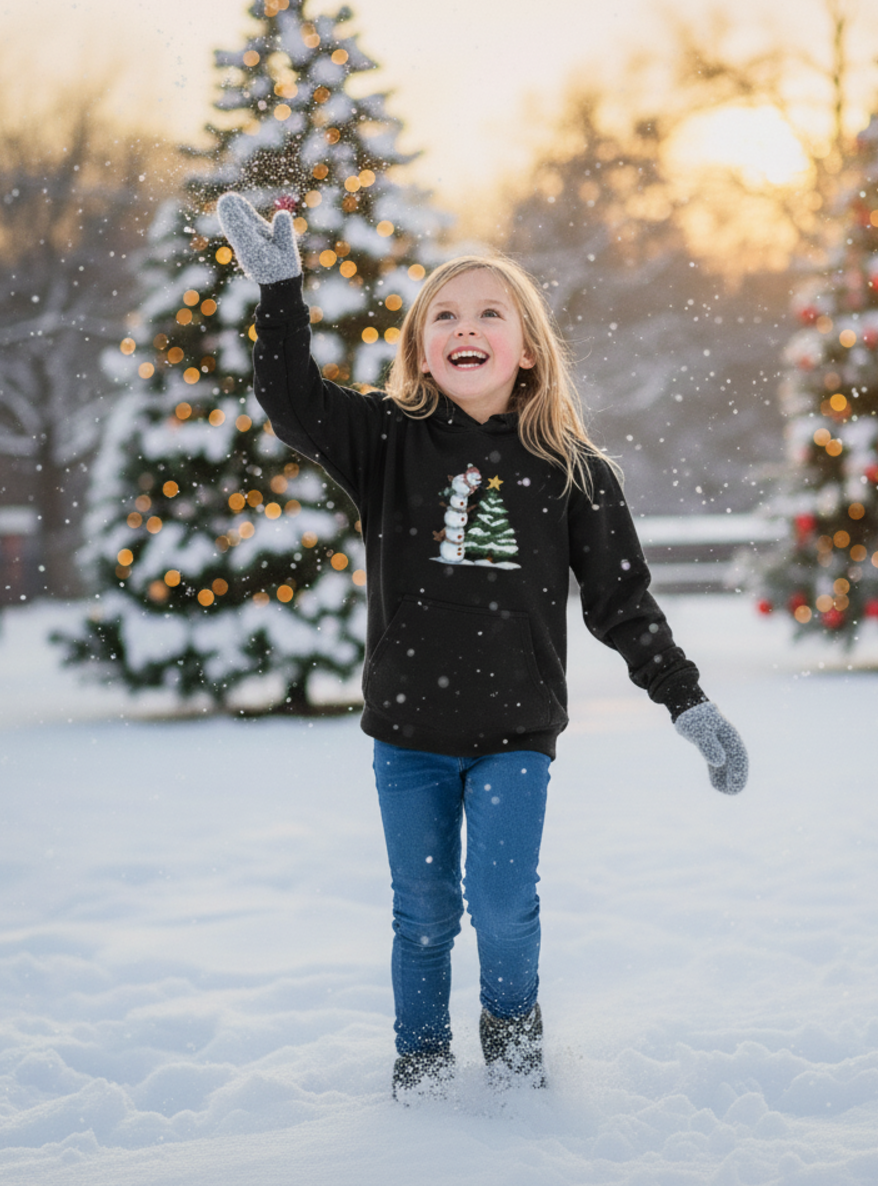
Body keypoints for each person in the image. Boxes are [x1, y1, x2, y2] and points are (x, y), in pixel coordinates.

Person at [217, 194, 749, 1100]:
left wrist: (688, 703)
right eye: (445, 317)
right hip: (408, 736)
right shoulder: (385, 443)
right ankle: (422, 1070)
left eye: (489, 313)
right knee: (424, 917)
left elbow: (623, 606)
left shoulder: (576, 473)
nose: (466, 328)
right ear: (421, 348)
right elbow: (294, 403)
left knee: (503, 910)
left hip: (515, 734)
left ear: (528, 348)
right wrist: (280, 296)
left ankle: (512, 1053)